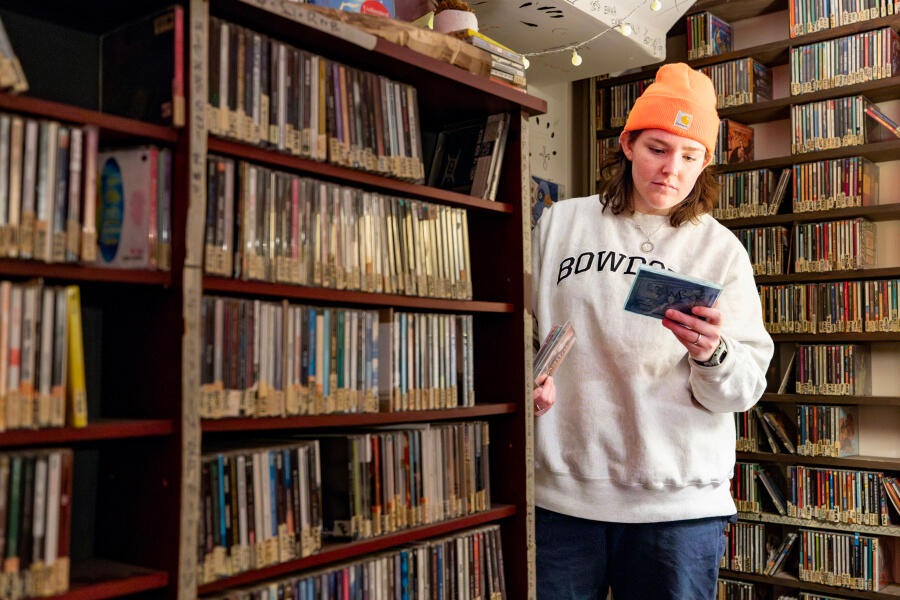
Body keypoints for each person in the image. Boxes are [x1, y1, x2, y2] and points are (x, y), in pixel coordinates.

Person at [530, 63, 774, 599]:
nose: (671, 170)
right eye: (657, 149)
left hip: (678, 506)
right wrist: (525, 379)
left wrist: (713, 354)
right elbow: (521, 333)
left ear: (705, 162)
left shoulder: (721, 250)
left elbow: (745, 388)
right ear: (627, 144)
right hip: (564, 498)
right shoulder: (561, 225)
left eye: (689, 156)